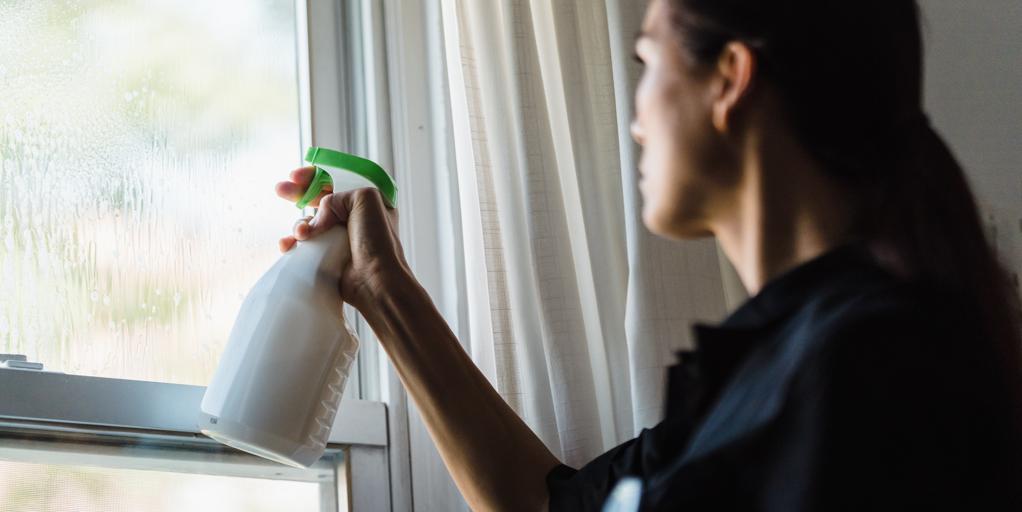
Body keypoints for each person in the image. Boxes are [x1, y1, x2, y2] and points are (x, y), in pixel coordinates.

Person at [275, 0, 1022, 509]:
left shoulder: (871, 368)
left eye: (646, 62)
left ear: (728, 79)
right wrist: (381, 285)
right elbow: (544, 502)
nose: (636, 123)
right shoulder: (771, 377)